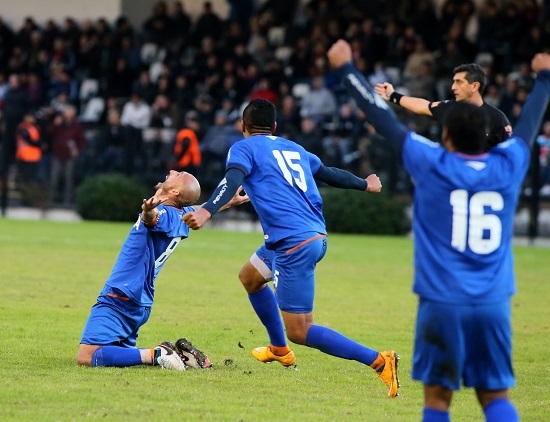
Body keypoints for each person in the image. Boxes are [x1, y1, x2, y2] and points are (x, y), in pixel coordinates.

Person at [327, 39, 550, 422]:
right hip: (493, 303)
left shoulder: (431, 162)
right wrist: (544, 77)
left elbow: (382, 120)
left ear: (445, 135)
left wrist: (348, 69)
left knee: (436, 403)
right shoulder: (508, 165)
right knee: (496, 399)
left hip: (441, 301)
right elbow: (529, 123)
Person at [182, 98, 400, 398]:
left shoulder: (243, 148)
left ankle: (379, 361)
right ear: (274, 127)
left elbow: (232, 180)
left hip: (293, 245)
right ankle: (278, 348)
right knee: (250, 277)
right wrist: (365, 184)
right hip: (306, 236)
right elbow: (328, 173)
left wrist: (206, 210)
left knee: (301, 330)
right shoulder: (294, 148)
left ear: (242, 126)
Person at [77, 170, 249, 371]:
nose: (172, 171)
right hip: (140, 300)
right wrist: (226, 202)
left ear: (175, 191)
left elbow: (153, 219)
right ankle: (181, 357)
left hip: (121, 295)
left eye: (178, 174)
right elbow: (197, 208)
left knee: (88, 356)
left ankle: (159, 353)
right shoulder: (182, 215)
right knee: (116, 353)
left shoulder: (165, 214)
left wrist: (147, 212)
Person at [374, 63, 512, 151]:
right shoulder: (450, 108)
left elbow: (510, 154)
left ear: (475, 86)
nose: (453, 87)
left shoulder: (498, 119)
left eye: (459, 82)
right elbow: (422, 106)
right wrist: (393, 95)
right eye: (453, 82)